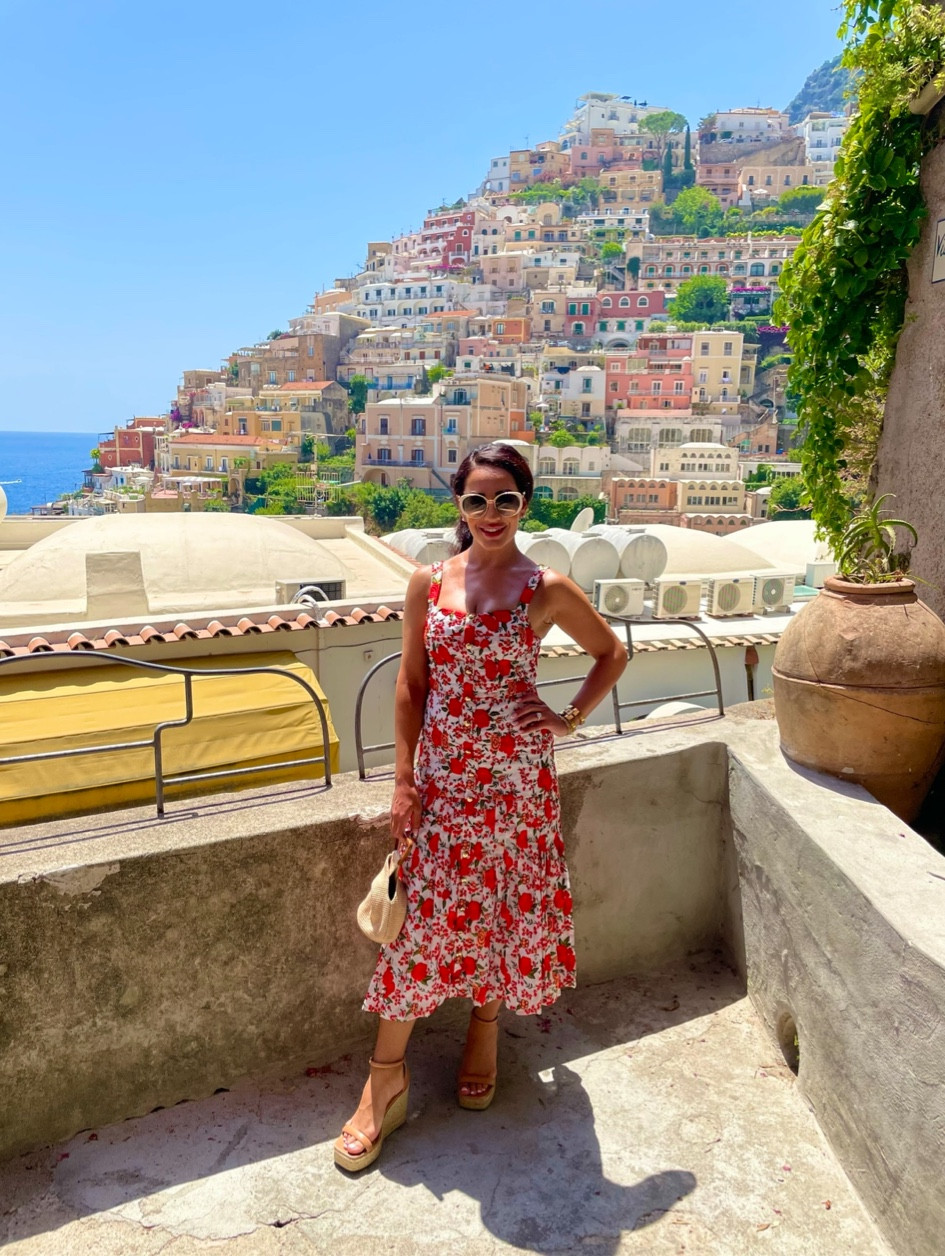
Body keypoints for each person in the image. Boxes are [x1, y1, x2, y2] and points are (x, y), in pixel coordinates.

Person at [334, 442, 627, 1171]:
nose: (489, 513)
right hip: (442, 785)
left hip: (517, 785)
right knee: (420, 924)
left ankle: (484, 1031)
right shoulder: (427, 583)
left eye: (504, 499)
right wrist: (403, 781)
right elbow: (410, 685)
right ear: (457, 507)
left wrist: (567, 718)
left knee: (503, 907)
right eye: (475, 500)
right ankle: (384, 1081)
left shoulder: (546, 588)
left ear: (524, 503)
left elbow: (611, 653)